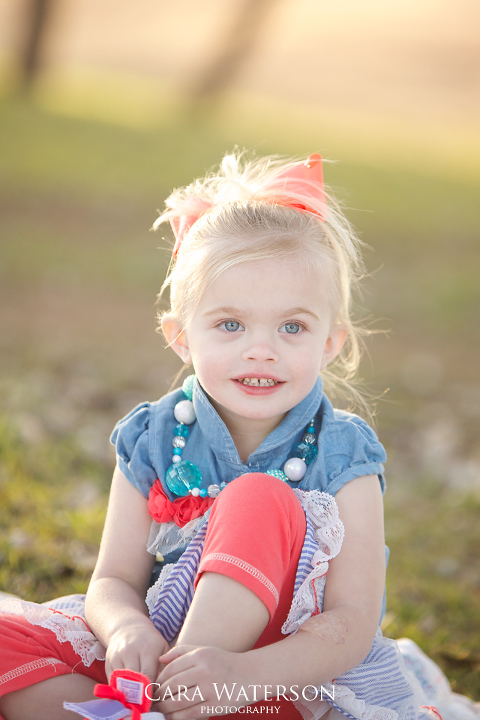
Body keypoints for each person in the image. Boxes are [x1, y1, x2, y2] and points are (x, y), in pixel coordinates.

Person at [0, 152, 474, 720]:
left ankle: (188, 702)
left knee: (256, 496)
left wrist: (241, 674)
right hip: (154, 659)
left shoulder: (345, 455)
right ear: (180, 337)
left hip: (270, 675)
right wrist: (126, 628)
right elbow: (113, 579)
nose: (261, 349)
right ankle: (144, 708)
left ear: (331, 343)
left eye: (292, 326)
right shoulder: (154, 437)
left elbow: (350, 624)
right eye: (230, 324)